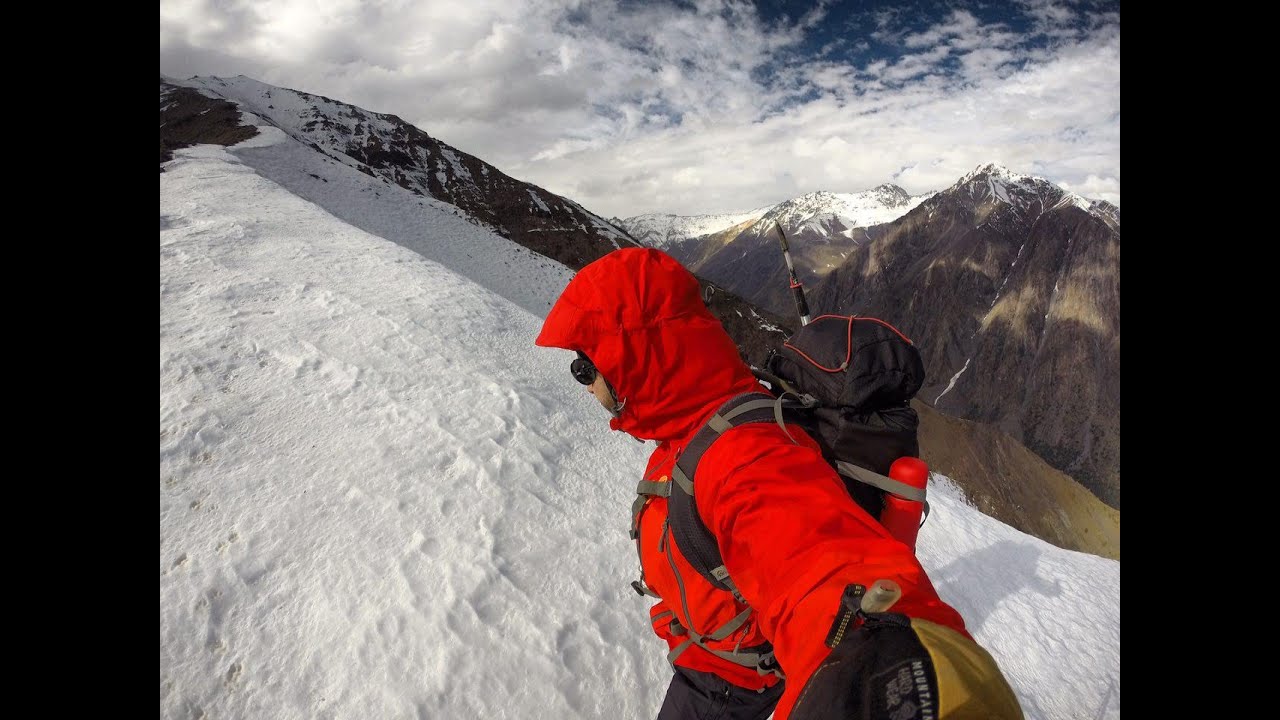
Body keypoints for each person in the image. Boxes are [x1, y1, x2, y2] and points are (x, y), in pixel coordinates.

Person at [535, 247, 1023, 720]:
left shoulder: (741, 456)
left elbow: (815, 555)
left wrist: (878, 659)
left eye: (586, 366)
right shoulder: (695, 418)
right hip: (717, 647)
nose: (586, 383)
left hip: (726, 680)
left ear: (635, 358)